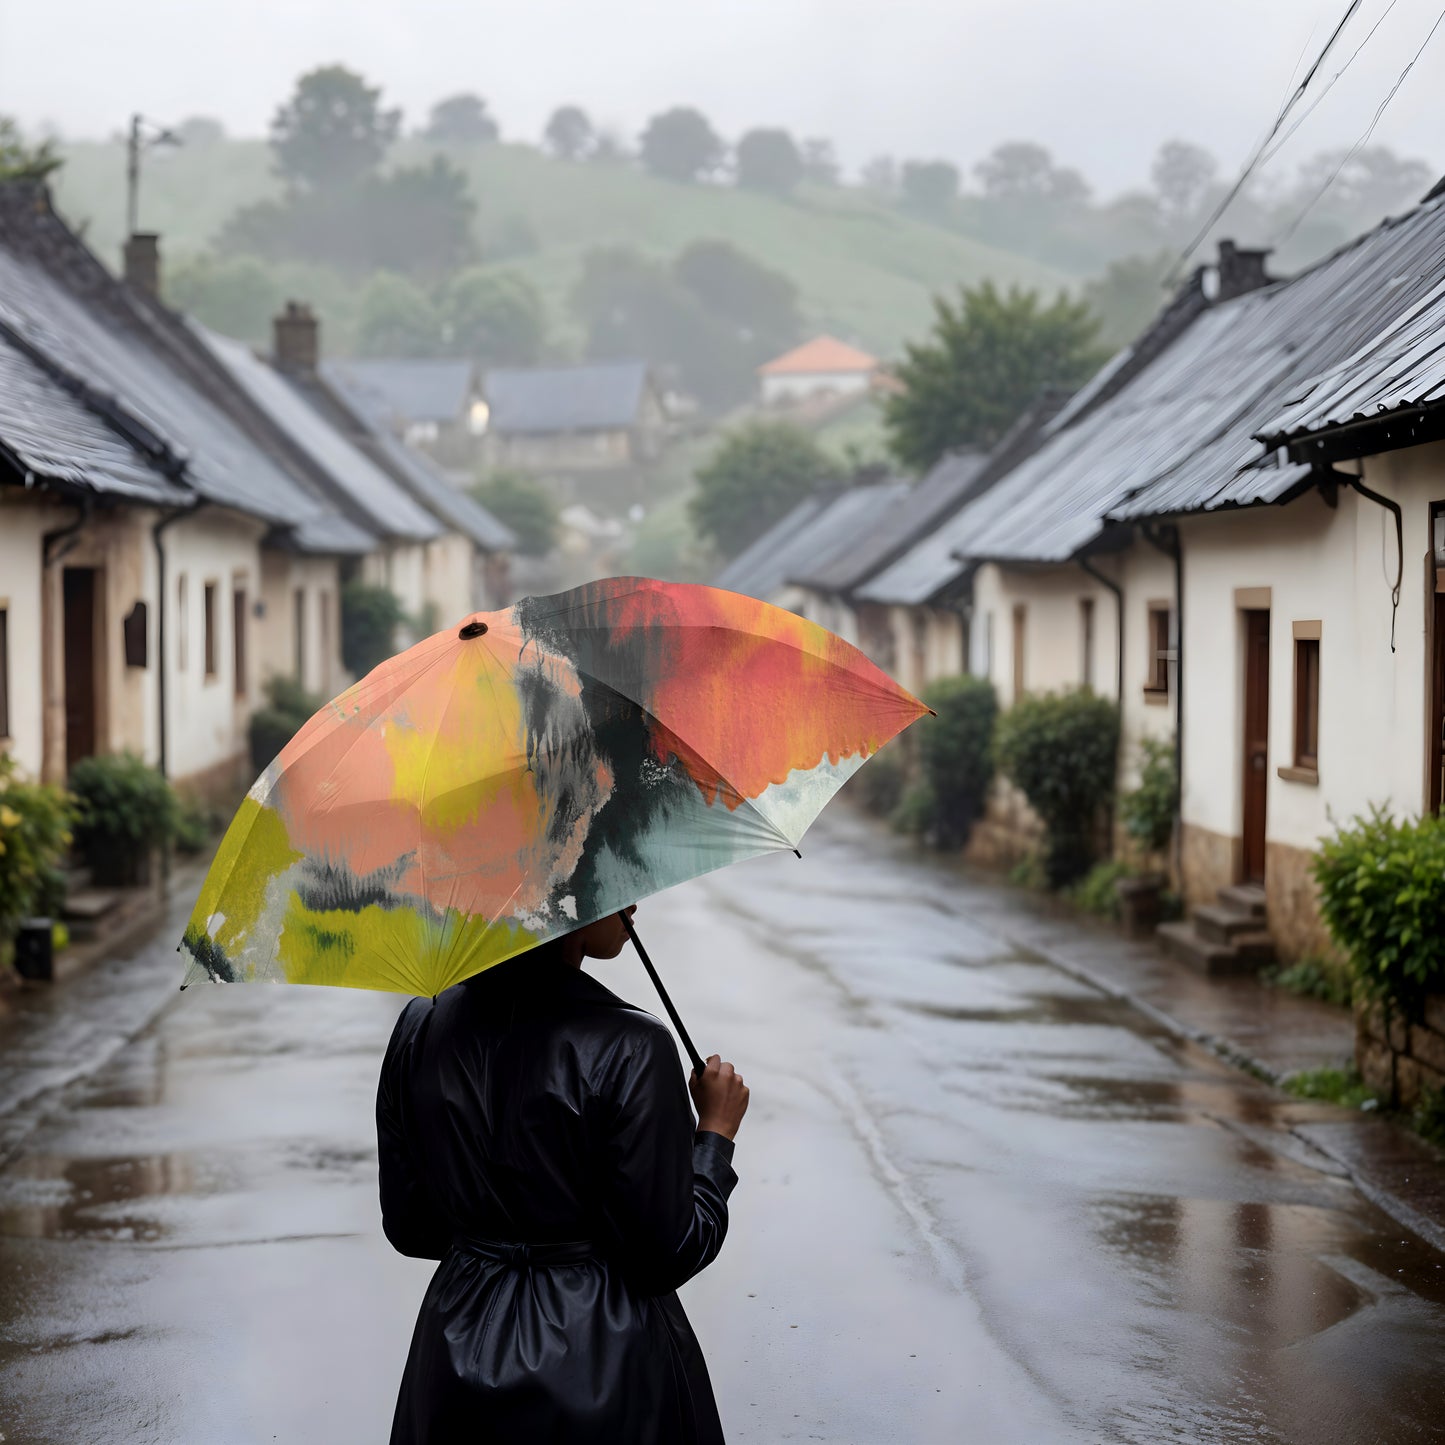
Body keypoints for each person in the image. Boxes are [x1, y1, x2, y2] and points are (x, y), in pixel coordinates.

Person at [377, 905, 749, 1444]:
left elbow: (412, 1227)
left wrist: (493, 1230)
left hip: (454, 1357)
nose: (632, 900)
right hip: (605, 1366)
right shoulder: (633, 1048)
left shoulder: (420, 1027)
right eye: (594, 867)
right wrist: (714, 1136)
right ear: (556, 905)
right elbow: (664, 1255)